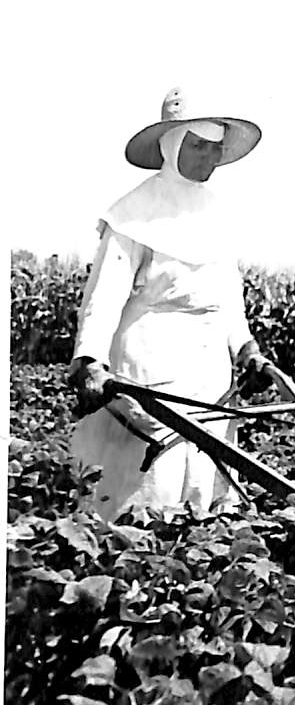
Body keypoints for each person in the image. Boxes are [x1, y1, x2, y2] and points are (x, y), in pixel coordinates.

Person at [67, 89, 278, 518]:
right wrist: (89, 360)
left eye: (216, 148)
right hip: (149, 362)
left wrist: (247, 349)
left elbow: (227, 301)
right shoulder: (134, 214)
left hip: (209, 371)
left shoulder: (216, 214)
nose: (209, 157)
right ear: (172, 145)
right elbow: (103, 298)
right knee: (147, 480)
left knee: (204, 471)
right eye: (198, 145)